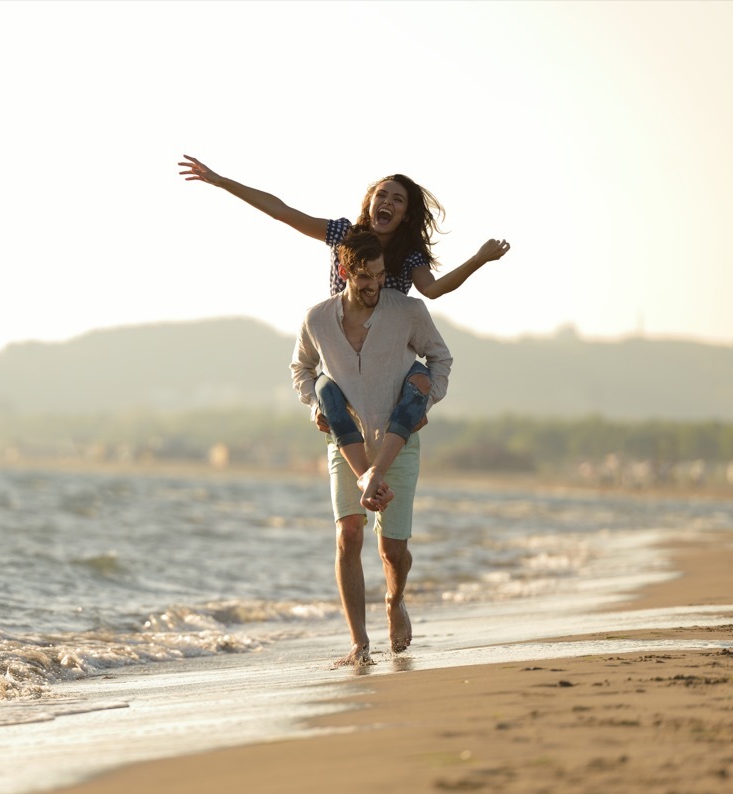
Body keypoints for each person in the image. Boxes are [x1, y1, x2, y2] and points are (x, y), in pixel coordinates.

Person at [179, 155, 505, 507]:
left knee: (419, 382)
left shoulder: (408, 256)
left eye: (398, 200)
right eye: (382, 195)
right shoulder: (344, 235)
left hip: (388, 359)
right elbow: (283, 212)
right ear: (370, 201)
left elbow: (434, 289)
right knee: (325, 392)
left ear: (406, 215)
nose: (387, 203)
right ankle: (369, 477)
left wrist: (478, 259)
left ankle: (375, 474)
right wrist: (221, 181)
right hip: (344, 350)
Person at [290, 226, 452, 666]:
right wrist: (313, 404)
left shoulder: (408, 311)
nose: (373, 286)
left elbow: (440, 357)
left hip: (397, 444)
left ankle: (395, 600)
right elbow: (302, 369)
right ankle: (360, 644)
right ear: (344, 271)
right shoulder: (318, 319)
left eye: (380, 276)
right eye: (364, 277)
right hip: (346, 444)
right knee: (348, 534)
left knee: (391, 550)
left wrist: (427, 398)